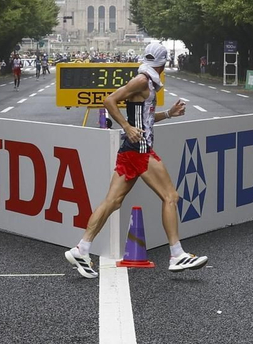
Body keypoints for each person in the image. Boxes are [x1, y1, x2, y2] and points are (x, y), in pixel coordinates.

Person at [62, 42, 206, 279]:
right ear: (163, 63)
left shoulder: (148, 82)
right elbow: (110, 101)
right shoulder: (142, 80)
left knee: (112, 201)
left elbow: (145, 119)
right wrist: (127, 127)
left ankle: (82, 249)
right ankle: (177, 254)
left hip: (131, 149)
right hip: (140, 149)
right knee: (170, 196)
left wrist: (169, 114)